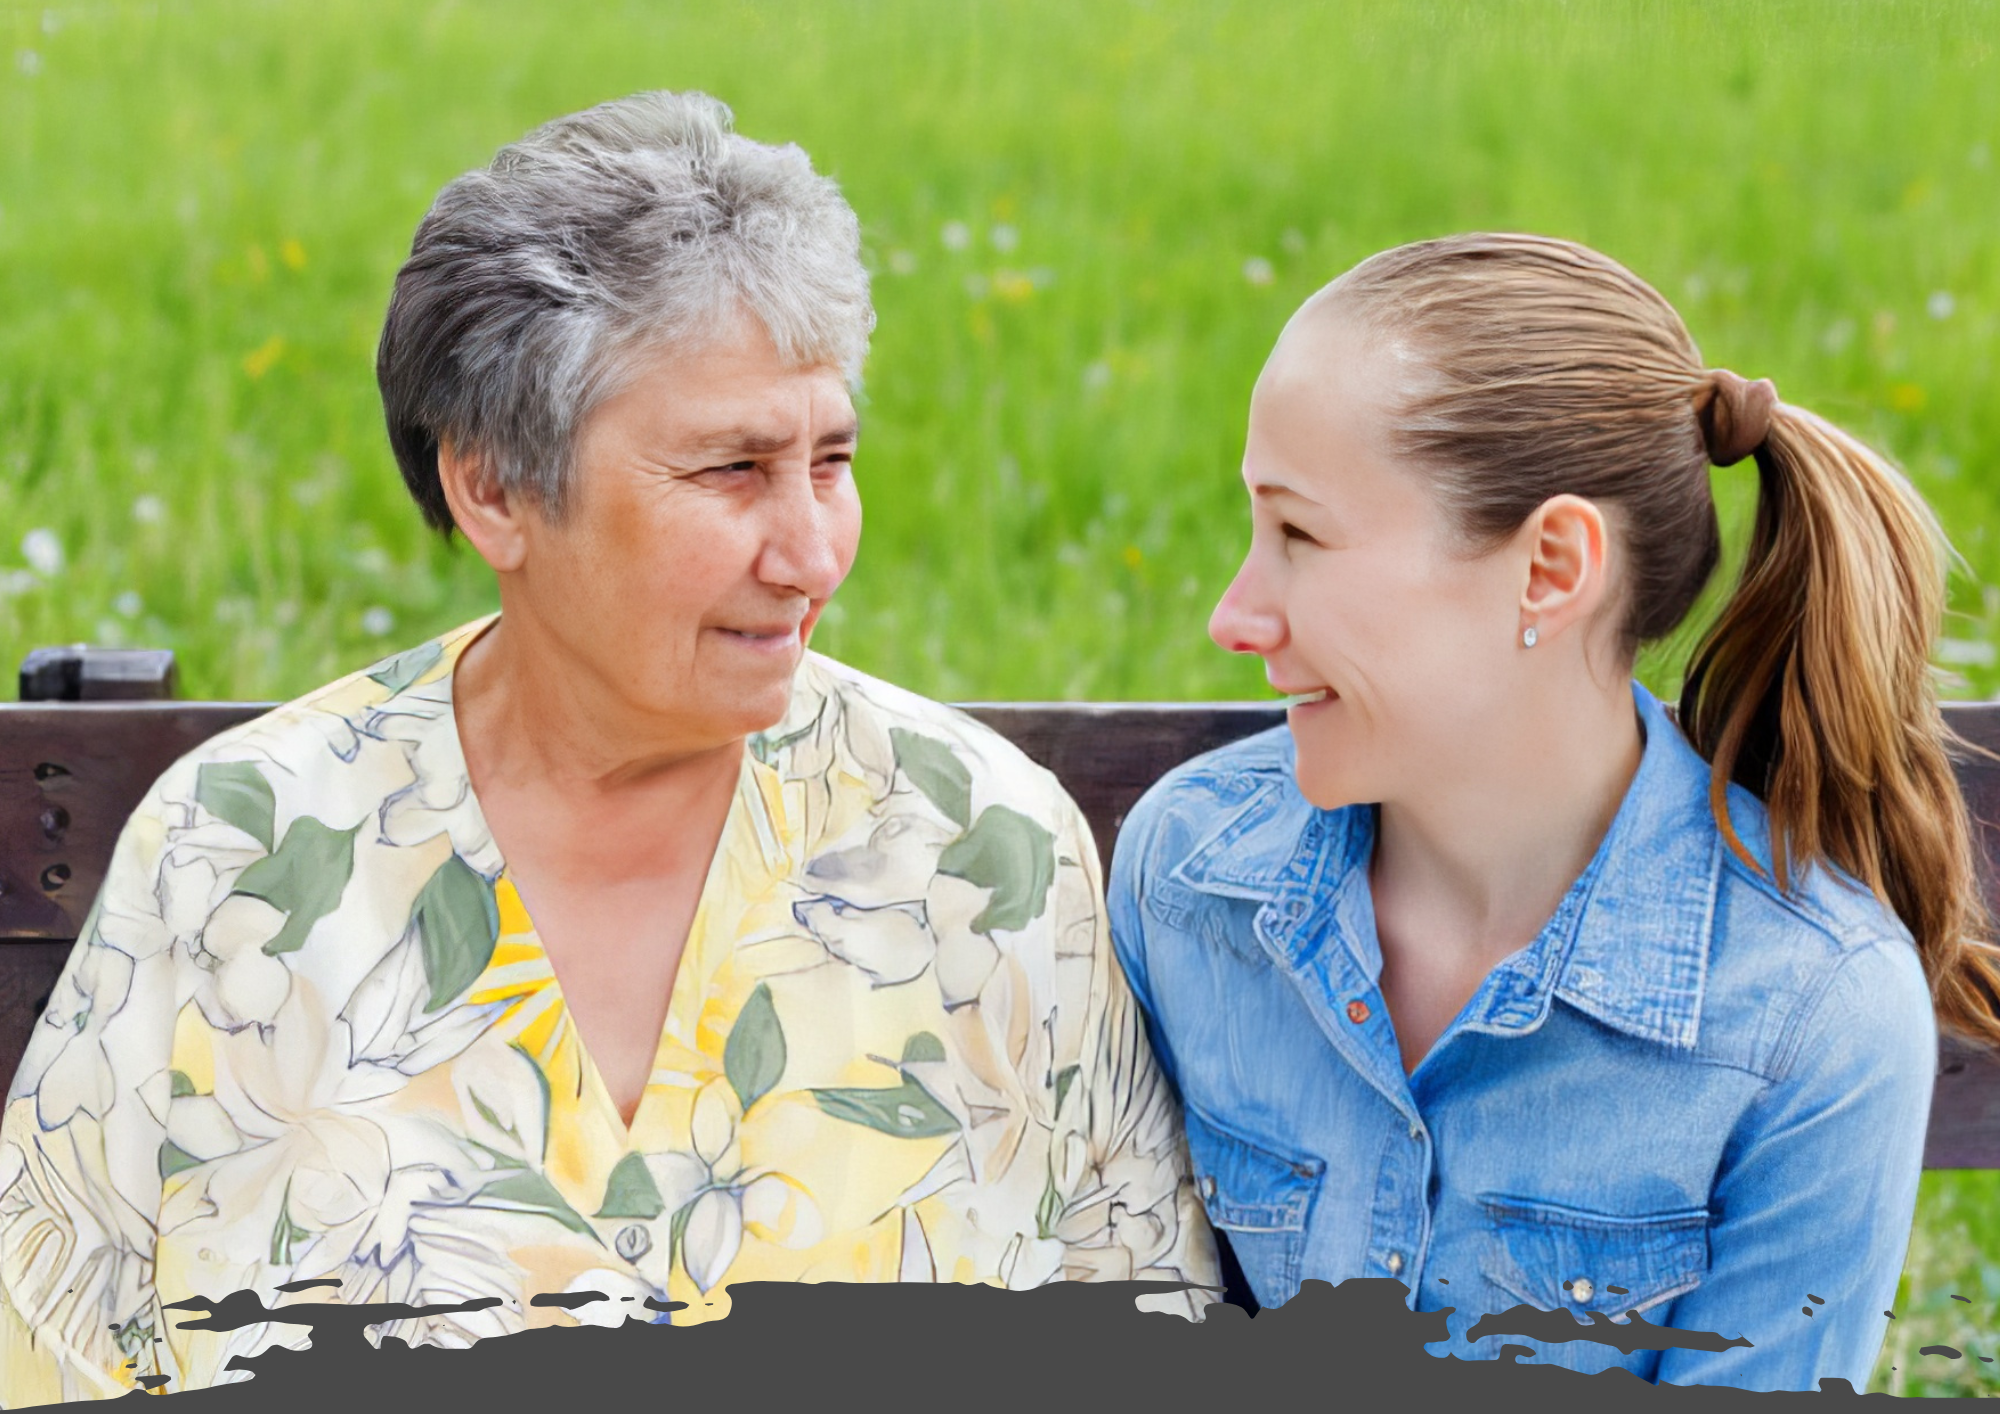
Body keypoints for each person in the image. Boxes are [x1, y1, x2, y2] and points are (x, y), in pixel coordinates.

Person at [0, 91, 1217, 1401]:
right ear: (496, 488)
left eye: (833, 456)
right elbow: (46, 1348)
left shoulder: (981, 851)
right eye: (733, 471)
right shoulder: (241, 855)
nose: (812, 552)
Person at [1108, 232, 2000, 1391]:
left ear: (1549, 568)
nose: (1234, 615)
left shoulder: (1806, 1015)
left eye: (1300, 535)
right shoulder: (1189, 875)